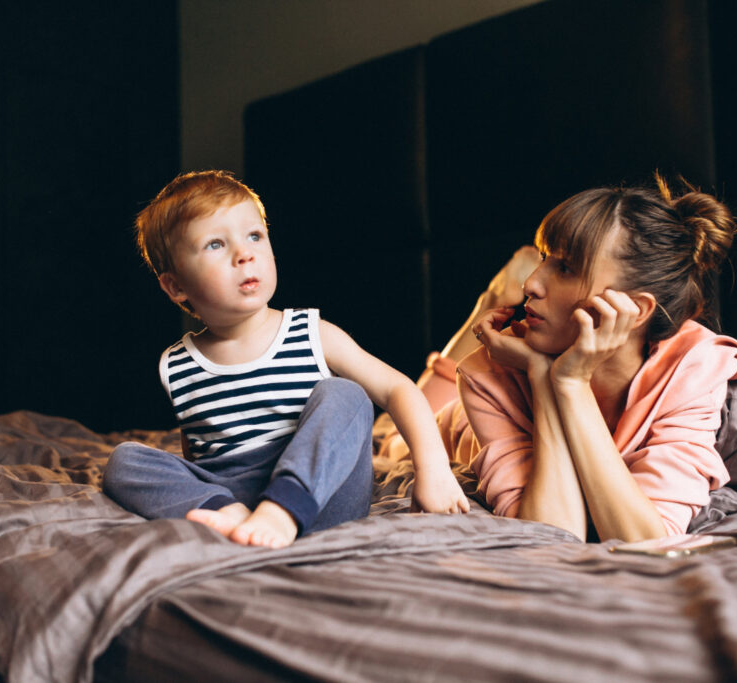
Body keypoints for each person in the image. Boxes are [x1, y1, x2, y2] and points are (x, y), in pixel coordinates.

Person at [103, 170, 468, 549]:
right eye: (215, 244)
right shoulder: (176, 364)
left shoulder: (310, 332)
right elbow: (199, 452)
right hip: (233, 495)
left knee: (346, 393)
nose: (244, 254)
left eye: (255, 236)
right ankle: (233, 519)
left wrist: (434, 469)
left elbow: (397, 389)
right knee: (124, 461)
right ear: (176, 286)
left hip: (321, 498)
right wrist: (210, 496)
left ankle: (282, 511)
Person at [391, 177, 737, 543]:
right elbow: (551, 535)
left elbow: (645, 538)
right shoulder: (492, 368)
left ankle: (496, 296)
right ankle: (491, 299)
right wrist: (541, 372)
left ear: (635, 309)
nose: (533, 284)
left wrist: (569, 381)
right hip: (440, 424)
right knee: (389, 439)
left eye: (565, 268)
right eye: (543, 260)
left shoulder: (693, 366)